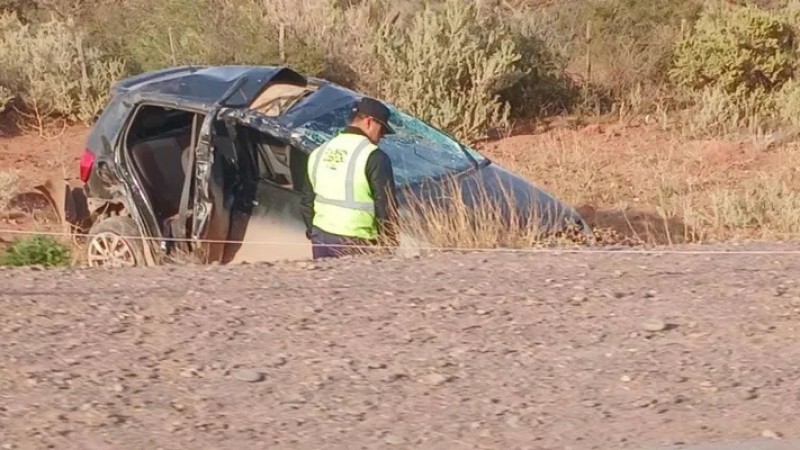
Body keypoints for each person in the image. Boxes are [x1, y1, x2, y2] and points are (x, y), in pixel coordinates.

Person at [300, 97, 399, 259]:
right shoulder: (373, 156)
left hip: (322, 239)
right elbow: (386, 205)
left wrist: (314, 232)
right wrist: (389, 243)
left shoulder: (319, 152)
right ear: (369, 122)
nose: (382, 137)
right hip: (358, 241)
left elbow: (306, 201)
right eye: (381, 130)